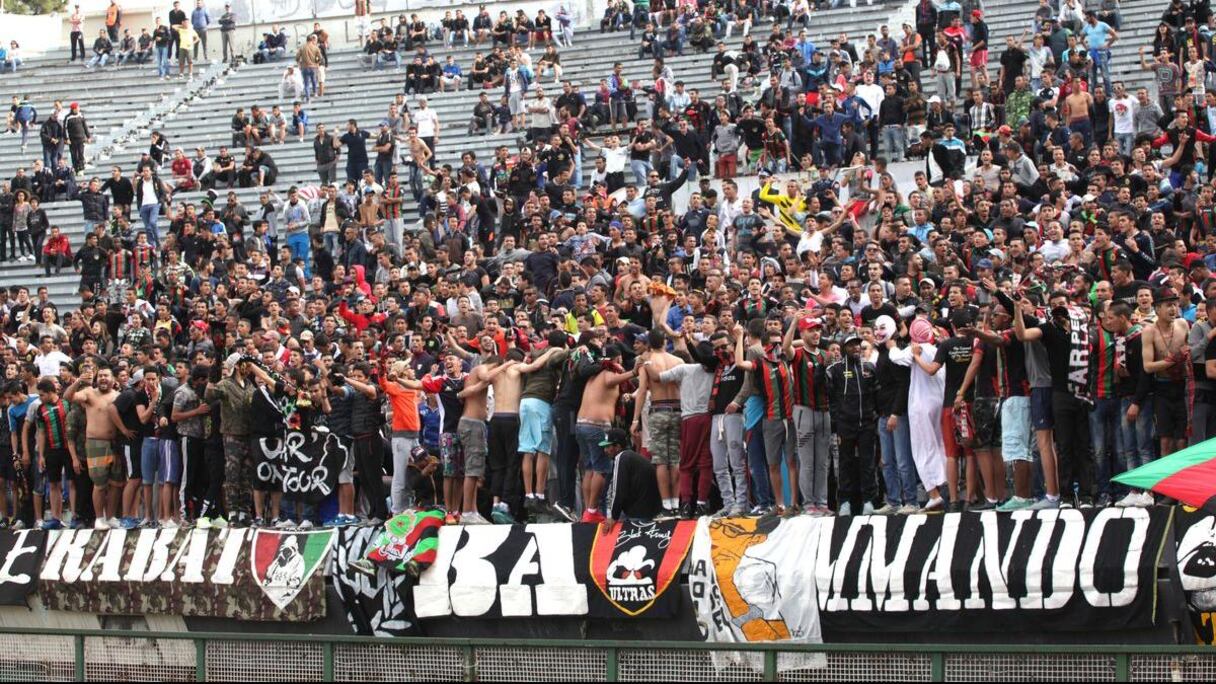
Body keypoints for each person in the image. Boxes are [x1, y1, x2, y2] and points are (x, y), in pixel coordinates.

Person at [599, 427, 663, 528]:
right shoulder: (631, 457)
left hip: (638, 514)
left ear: (618, 447)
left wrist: (613, 517)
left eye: (608, 446)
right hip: (649, 511)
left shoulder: (622, 458)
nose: (605, 450)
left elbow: (619, 490)